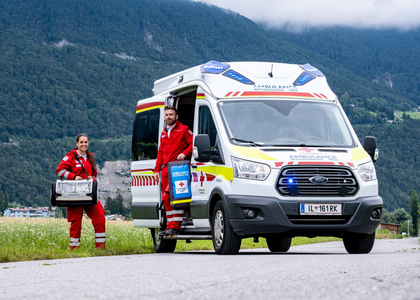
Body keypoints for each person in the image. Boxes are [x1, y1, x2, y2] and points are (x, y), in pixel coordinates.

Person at [56, 133, 106, 250]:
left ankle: (100, 247)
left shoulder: (90, 157)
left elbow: (94, 174)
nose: (84, 144)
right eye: (81, 142)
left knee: (100, 217)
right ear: (77, 144)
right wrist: (74, 177)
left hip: (88, 193)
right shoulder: (70, 157)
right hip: (74, 195)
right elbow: (59, 170)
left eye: (86, 142)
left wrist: (91, 179)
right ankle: (74, 248)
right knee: (76, 223)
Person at [154, 105, 193, 236]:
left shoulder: (184, 129)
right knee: (166, 198)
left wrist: (185, 153)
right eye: (166, 115)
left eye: (171, 114)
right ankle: (170, 225)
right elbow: (160, 152)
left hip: (177, 169)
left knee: (176, 197)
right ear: (164, 117)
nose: (168, 117)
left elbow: (193, 143)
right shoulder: (164, 132)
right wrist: (156, 170)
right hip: (165, 170)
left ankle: (175, 226)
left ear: (176, 117)